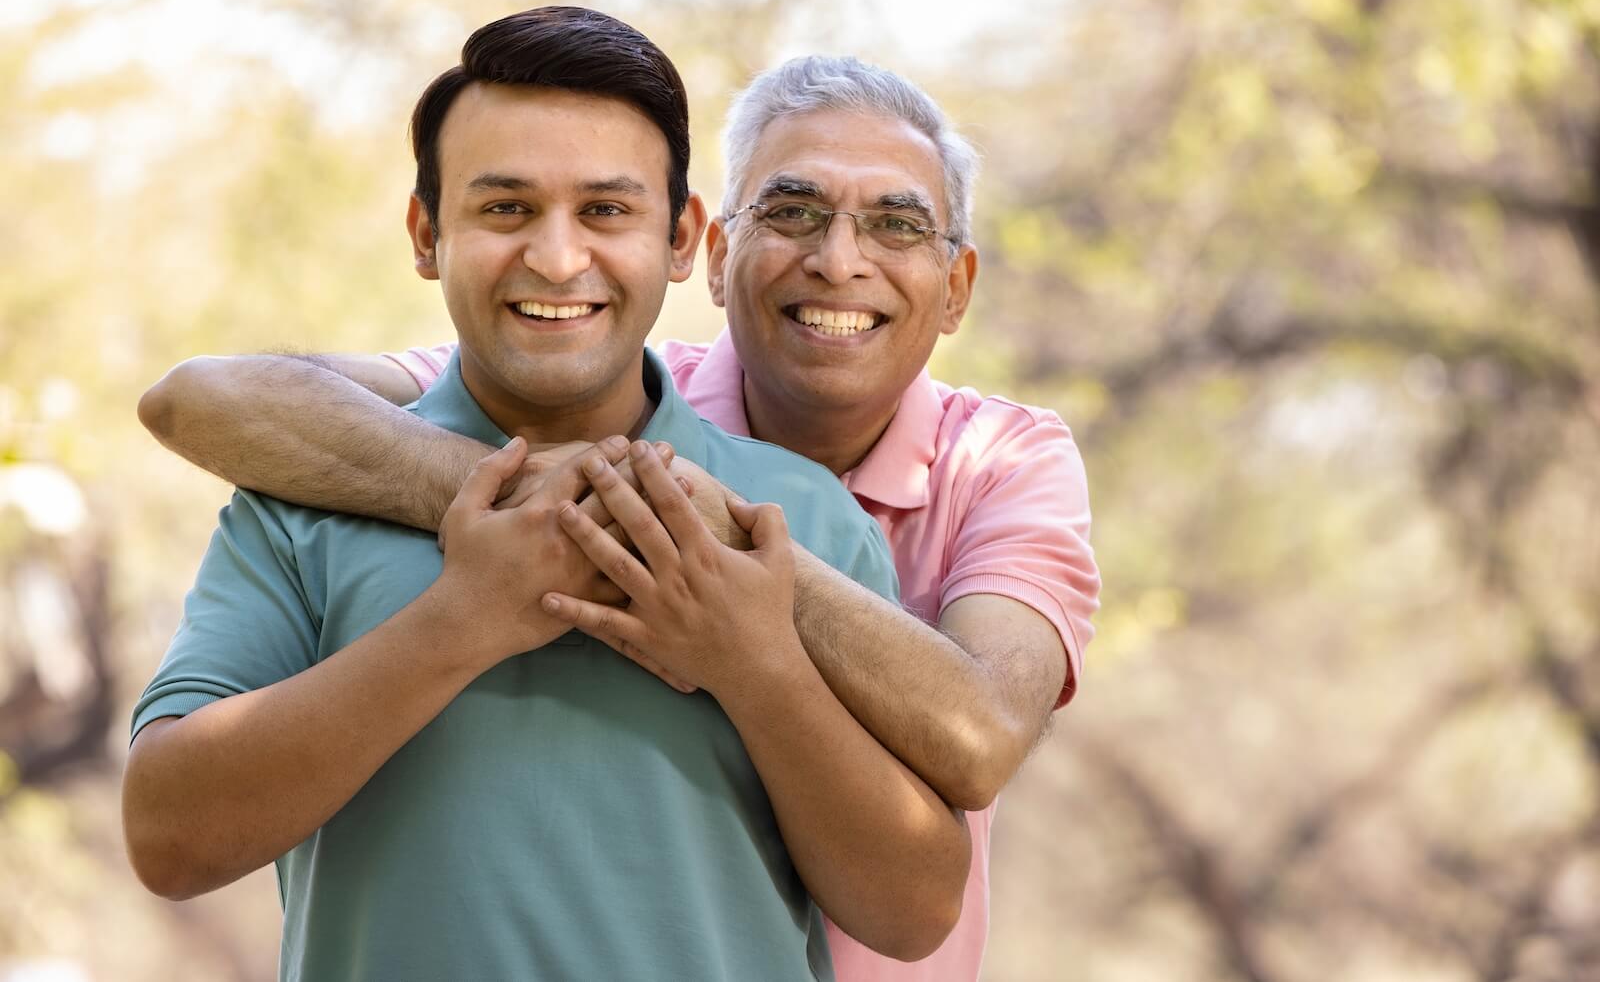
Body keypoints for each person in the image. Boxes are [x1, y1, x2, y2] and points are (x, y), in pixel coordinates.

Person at [140, 55, 1100, 981]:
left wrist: (746, 635)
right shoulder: (348, 469)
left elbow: (937, 846)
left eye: (604, 210)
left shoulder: (908, 490)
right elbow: (213, 400)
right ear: (713, 255)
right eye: (505, 207)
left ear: (674, 239)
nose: (558, 259)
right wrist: (503, 559)